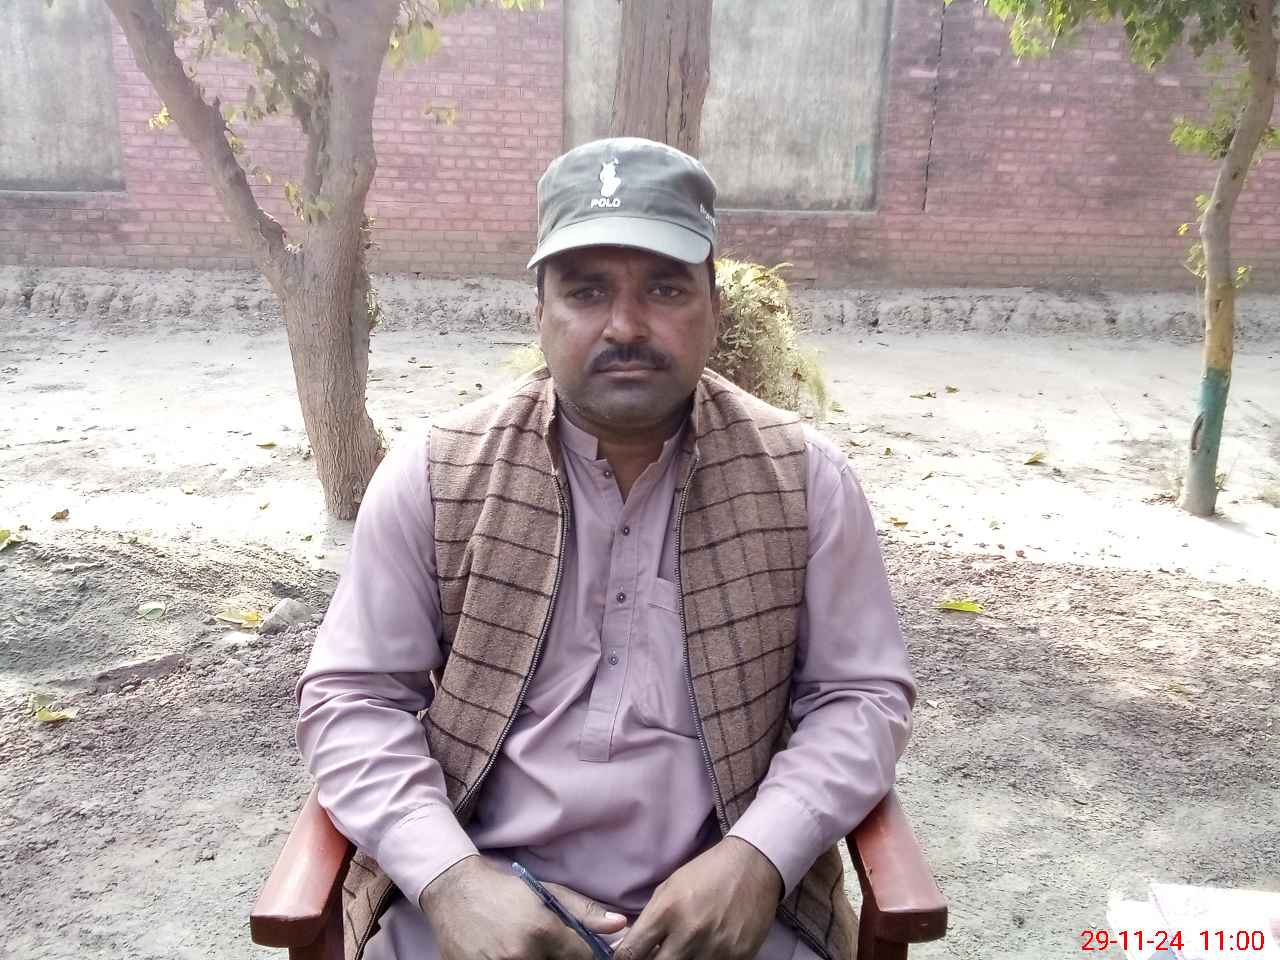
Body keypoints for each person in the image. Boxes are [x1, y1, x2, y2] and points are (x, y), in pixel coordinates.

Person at [296, 136, 915, 960]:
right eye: (587, 291)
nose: (625, 325)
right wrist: (448, 879)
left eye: (665, 288)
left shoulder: (805, 480)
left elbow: (861, 696)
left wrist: (760, 856)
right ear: (540, 313)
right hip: (480, 910)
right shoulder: (437, 473)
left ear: (714, 309)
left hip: (727, 915)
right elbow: (352, 699)